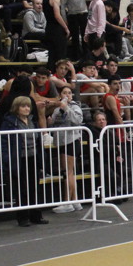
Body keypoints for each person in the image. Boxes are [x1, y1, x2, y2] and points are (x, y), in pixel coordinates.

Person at [0, 95, 50, 227]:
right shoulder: (9, 122)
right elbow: (3, 142)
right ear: (16, 108)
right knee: (21, 189)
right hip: (19, 159)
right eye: (23, 106)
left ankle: (36, 215)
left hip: (33, 157)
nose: (27, 108)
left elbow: (38, 140)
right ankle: (23, 217)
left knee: (34, 187)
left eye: (28, 106)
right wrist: (7, 159)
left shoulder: (32, 121)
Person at [50, 85, 85, 214]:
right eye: (64, 93)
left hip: (71, 141)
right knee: (69, 172)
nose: (67, 95)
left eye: (69, 93)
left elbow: (78, 120)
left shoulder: (75, 107)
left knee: (68, 172)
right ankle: (75, 200)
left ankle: (67, 202)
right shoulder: (57, 108)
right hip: (61, 141)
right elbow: (53, 121)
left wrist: (66, 108)